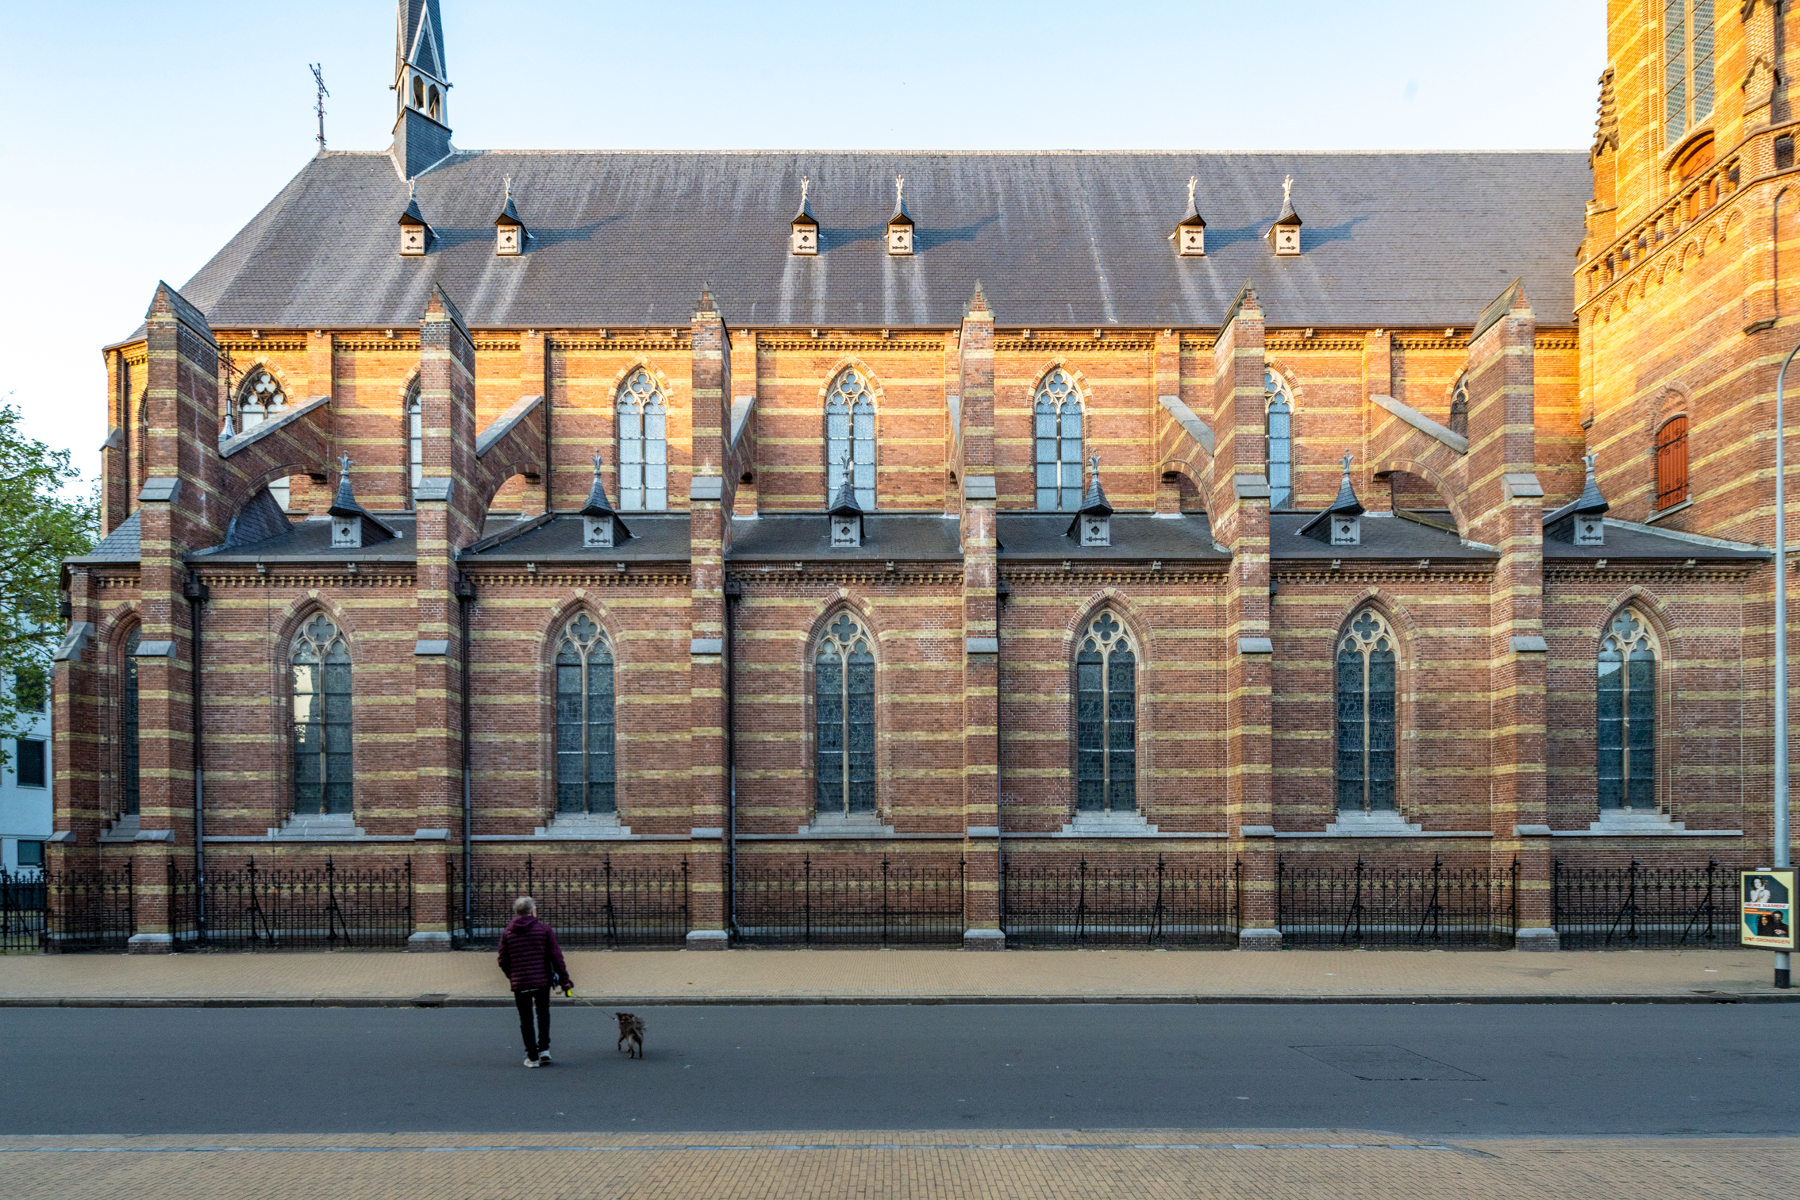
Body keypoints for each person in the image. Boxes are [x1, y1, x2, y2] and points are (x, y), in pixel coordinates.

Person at [497, 896, 573, 1068]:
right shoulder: (544, 930)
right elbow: (556, 957)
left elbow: (502, 959)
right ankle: (544, 1049)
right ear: (532, 912)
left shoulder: (507, 932)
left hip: (520, 982)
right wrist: (565, 980)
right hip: (542, 981)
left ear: (516, 912)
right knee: (543, 1013)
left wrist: (512, 975)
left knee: (526, 1018)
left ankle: (532, 1057)